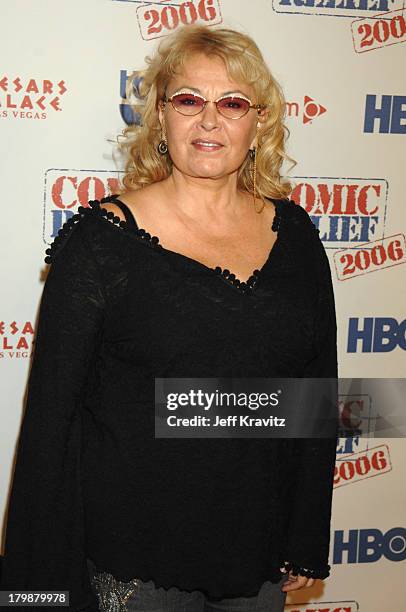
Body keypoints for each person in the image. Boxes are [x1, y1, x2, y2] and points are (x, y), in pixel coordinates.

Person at [0, 24, 338, 612]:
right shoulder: (101, 243)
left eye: (232, 103)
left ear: (259, 121)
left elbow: (313, 397)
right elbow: (52, 423)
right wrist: (37, 594)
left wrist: (305, 539)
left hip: (257, 560)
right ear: (161, 117)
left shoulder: (298, 237)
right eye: (188, 100)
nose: (210, 121)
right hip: (136, 566)